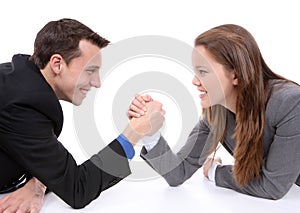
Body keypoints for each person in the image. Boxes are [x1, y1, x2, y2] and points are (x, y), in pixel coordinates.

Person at [0, 18, 165, 212]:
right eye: (90, 71)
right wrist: (134, 132)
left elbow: (38, 154)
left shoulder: (17, 81)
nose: (97, 82)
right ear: (57, 64)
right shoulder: (22, 105)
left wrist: (39, 181)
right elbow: (77, 188)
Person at [128, 24, 300, 199]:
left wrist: (215, 172)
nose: (195, 81)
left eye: (203, 72)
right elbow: (178, 172)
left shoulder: (290, 103)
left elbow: (272, 186)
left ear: (235, 75)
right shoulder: (217, 113)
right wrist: (150, 133)